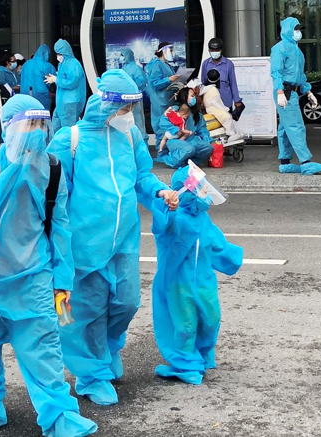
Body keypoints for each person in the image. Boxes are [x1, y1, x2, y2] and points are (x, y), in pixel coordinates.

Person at [0, 94, 98, 437]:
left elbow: (59, 228)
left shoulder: (52, 171)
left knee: (43, 351)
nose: (37, 132)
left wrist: (62, 280)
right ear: (8, 128)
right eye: (29, 123)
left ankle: (60, 415)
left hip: (33, 282)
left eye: (42, 124)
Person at [47, 69, 179, 406]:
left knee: (126, 301)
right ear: (106, 105)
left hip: (123, 241)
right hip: (83, 246)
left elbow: (142, 176)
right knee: (85, 311)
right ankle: (91, 375)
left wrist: (161, 191)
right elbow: (54, 197)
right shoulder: (69, 140)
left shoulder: (131, 135)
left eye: (133, 109)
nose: (129, 116)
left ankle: (106, 349)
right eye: (124, 109)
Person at [150, 166, 243, 385]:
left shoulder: (203, 219)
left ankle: (201, 353)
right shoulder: (178, 219)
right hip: (178, 284)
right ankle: (185, 363)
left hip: (204, 282)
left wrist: (233, 257)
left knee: (211, 319)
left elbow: (217, 244)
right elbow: (164, 227)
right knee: (186, 325)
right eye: (199, 189)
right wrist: (170, 210)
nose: (204, 193)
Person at [271, 17, 321, 175]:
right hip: (286, 92)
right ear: (288, 30)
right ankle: (306, 162)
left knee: (285, 128)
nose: (298, 32)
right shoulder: (280, 48)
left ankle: (285, 162)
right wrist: (279, 91)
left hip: (293, 92)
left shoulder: (297, 51)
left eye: (299, 29)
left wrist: (308, 91)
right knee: (296, 127)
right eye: (295, 29)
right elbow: (276, 72)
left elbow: (300, 75)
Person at [156, 87, 213, 168]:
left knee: (208, 148)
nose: (194, 98)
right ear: (184, 97)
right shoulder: (175, 110)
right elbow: (163, 122)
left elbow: (202, 130)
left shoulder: (196, 114)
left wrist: (208, 141)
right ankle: (171, 160)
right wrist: (176, 130)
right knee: (189, 149)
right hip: (175, 140)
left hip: (190, 139)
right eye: (192, 96)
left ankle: (191, 163)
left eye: (194, 96)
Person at [45, 39, 86, 131]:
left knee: (69, 132)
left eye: (59, 54)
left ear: (65, 52)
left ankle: (69, 146)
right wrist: (56, 78)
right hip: (62, 103)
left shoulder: (73, 64)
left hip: (70, 103)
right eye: (57, 54)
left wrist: (56, 80)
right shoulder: (63, 64)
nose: (57, 56)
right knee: (55, 128)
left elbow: (72, 82)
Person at [201, 69, 245, 145]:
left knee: (227, 115)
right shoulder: (213, 90)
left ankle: (233, 133)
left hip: (210, 109)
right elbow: (218, 104)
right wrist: (226, 109)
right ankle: (230, 135)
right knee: (227, 116)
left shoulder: (205, 88)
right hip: (213, 109)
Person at [146, 42, 180, 139]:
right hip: (160, 103)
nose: (172, 53)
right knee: (162, 129)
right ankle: (161, 152)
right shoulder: (157, 65)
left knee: (171, 131)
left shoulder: (167, 65)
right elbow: (154, 84)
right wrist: (168, 80)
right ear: (163, 51)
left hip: (169, 101)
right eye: (170, 51)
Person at [200, 38, 243, 111]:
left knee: (227, 120)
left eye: (216, 50)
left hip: (225, 102)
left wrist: (237, 100)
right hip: (210, 103)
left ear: (221, 50)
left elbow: (233, 83)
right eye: (212, 50)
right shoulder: (206, 64)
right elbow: (203, 83)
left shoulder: (228, 64)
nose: (214, 52)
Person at [120, 48, 149, 145]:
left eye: (123, 55)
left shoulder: (136, 68)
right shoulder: (123, 68)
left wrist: (130, 86)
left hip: (135, 98)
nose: (122, 58)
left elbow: (142, 82)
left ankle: (142, 142)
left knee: (138, 120)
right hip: (124, 99)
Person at [20, 44, 57, 111]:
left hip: (25, 94)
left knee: (27, 117)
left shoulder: (26, 64)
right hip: (42, 96)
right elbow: (55, 80)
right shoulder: (48, 66)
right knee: (42, 117)